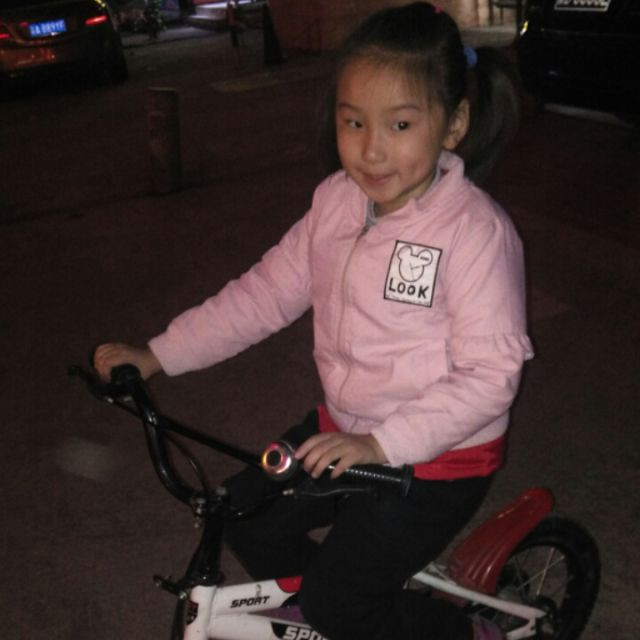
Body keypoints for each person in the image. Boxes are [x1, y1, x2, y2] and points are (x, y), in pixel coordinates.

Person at [94, 3, 533, 639]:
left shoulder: (475, 234)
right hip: (343, 428)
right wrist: (160, 353)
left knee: (338, 604)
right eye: (353, 121)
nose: (371, 149)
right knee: (240, 516)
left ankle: (460, 632)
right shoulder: (335, 203)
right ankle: (344, 608)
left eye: (400, 124)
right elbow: (264, 294)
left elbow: (491, 376)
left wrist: (384, 445)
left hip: (437, 461)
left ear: (453, 124)